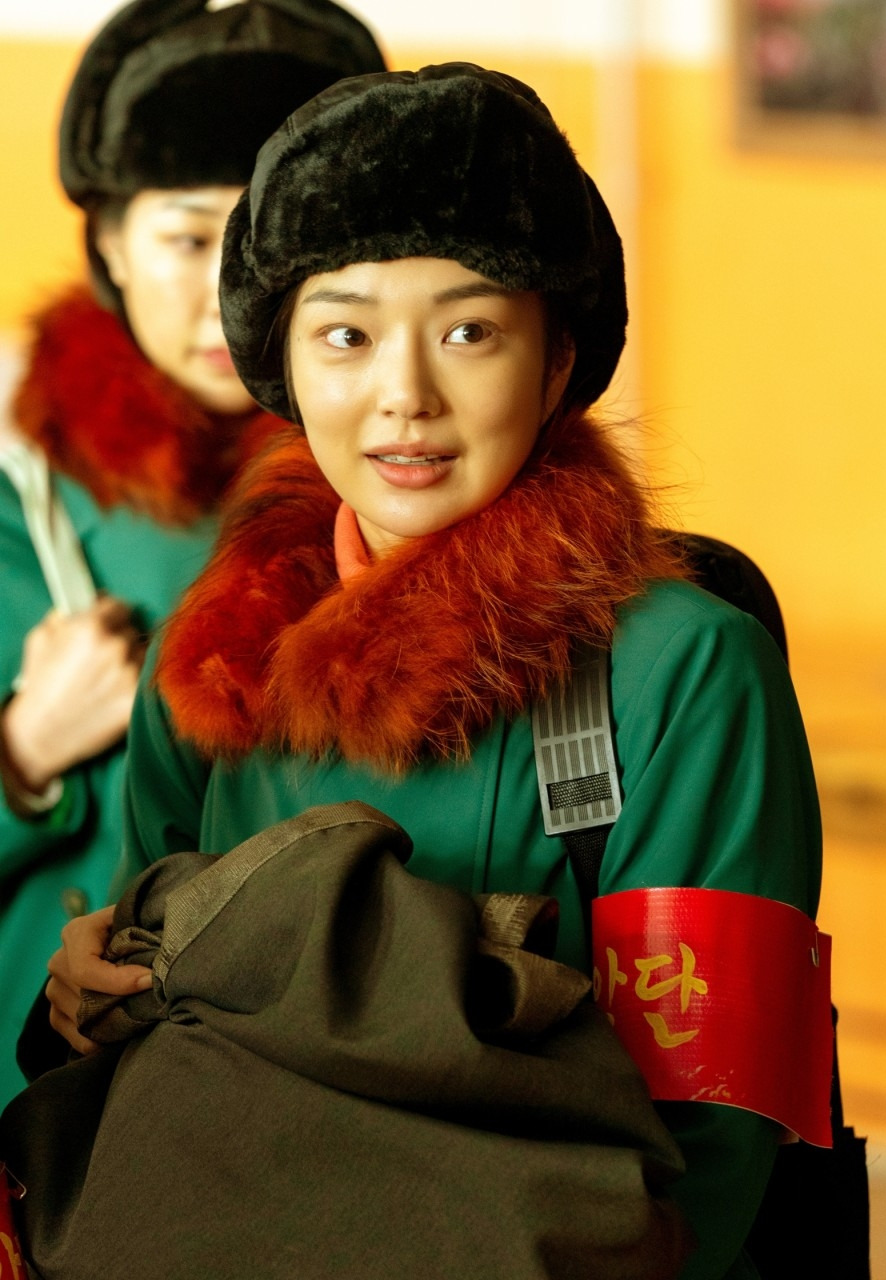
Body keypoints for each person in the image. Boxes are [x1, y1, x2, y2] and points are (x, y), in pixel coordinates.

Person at [45, 64, 823, 1279]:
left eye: (469, 331)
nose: (404, 397)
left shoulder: (685, 670)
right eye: (345, 334)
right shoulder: (215, 660)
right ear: (283, 365)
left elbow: (710, 1141)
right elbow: (147, 1016)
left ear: (557, 362)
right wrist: (88, 982)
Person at [0, 0, 386, 1106]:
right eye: (186, 236)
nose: (232, 283)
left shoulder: (410, 507)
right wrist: (20, 754)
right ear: (109, 245)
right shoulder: (17, 504)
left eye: (273, 232)